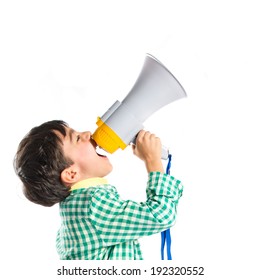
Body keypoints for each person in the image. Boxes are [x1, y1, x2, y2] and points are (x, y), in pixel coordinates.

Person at [14, 120, 183, 260]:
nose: (88, 133)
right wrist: (152, 160)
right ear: (72, 174)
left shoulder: (73, 211)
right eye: (78, 139)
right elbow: (161, 215)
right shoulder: (94, 206)